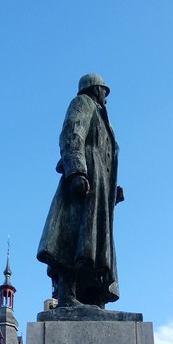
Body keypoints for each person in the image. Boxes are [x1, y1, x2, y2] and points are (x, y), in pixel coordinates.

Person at [37, 73, 123, 307]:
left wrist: (112, 190)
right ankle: (67, 295)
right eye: (104, 91)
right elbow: (72, 133)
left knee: (94, 243)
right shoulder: (83, 104)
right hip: (86, 179)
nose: (106, 96)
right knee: (73, 237)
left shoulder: (106, 121)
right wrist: (76, 171)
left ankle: (93, 296)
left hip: (100, 187)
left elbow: (109, 159)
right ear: (96, 89)